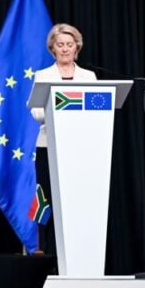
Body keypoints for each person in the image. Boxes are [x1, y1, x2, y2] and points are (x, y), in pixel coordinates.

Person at [30, 23, 96, 253]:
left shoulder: (89, 77)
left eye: (70, 44)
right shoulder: (43, 75)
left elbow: (96, 111)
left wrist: (66, 108)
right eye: (60, 45)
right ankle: (46, 252)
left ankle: (79, 251)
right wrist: (66, 108)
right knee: (46, 199)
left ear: (77, 47)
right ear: (53, 48)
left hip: (80, 149)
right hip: (48, 147)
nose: (66, 49)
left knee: (76, 201)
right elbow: (37, 112)